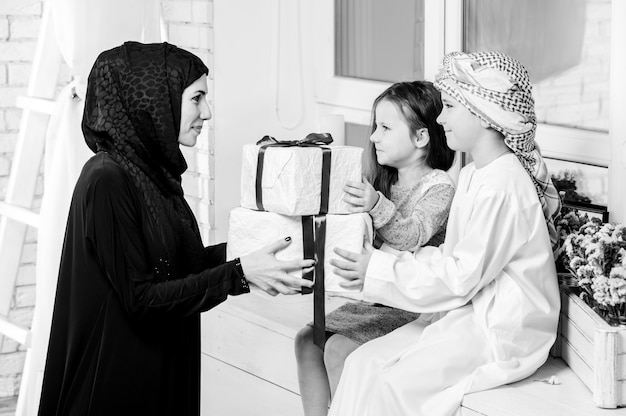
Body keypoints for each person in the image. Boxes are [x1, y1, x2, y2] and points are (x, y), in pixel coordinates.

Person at [37, 41, 314, 416]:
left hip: (157, 369)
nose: (208, 112)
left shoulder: (151, 174)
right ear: (155, 101)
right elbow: (142, 299)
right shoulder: (107, 180)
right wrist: (238, 274)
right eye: (197, 98)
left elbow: (175, 262)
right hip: (116, 386)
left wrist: (243, 255)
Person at [327, 51, 562, 416]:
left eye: (450, 106)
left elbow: (461, 276)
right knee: (362, 365)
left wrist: (381, 270)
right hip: (470, 311)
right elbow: (454, 259)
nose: (440, 117)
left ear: (484, 114)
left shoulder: (503, 184)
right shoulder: (474, 174)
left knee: (395, 385)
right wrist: (383, 262)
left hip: (500, 330)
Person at [294, 81, 456, 416]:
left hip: (410, 303)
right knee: (307, 341)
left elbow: (411, 236)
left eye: (384, 128)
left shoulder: (439, 187)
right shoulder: (381, 181)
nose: (373, 137)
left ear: (421, 137)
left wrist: (375, 204)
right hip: (374, 301)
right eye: (374, 127)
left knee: (338, 349)